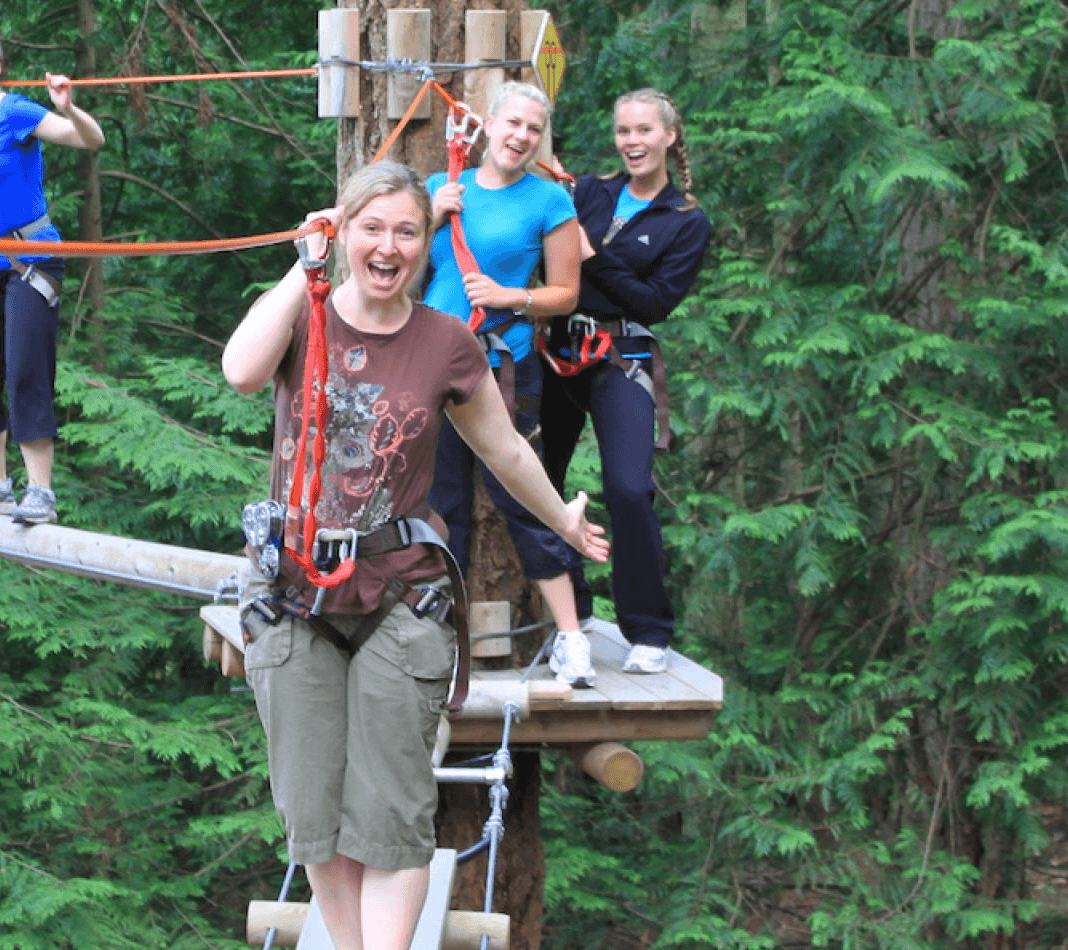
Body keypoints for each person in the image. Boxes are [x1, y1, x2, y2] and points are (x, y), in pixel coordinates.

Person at [223, 161, 607, 950]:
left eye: (407, 230)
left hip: (400, 595)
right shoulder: (306, 313)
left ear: (426, 242)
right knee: (312, 811)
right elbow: (240, 370)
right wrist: (308, 267)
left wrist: (562, 522)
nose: (389, 247)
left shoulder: (445, 343)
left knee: (395, 813)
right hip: (295, 592)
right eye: (371, 228)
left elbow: (503, 449)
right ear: (345, 232)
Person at [420, 82, 597, 687]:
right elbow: (397, 270)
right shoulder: (441, 191)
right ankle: (442, 641)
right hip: (430, 362)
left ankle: (573, 638)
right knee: (442, 507)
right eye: (513, 123)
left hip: (501, 365)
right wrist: (432, 217)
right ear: (488, 125)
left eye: (532, 130)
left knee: (526, 496)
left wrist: (510, 297)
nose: (521, 137)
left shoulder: (550, 202)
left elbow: (565, 292)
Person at [540, 88, 712, 674]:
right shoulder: (589, 191)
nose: (632, 142)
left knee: (629, 488)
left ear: (668, 137)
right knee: (541, 479)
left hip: (620, 355)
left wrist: (590, 256)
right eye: (623, 132)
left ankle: (649, 630)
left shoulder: (684, 222)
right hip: (557, 349)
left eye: (644, 131)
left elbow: (654, 302)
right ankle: (575, 611)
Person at [0, 26, 104, 525]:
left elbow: (89, 141)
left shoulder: (17, 113)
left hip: (30, 258)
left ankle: (41, 491)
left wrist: (68, 106)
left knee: (26, 368)